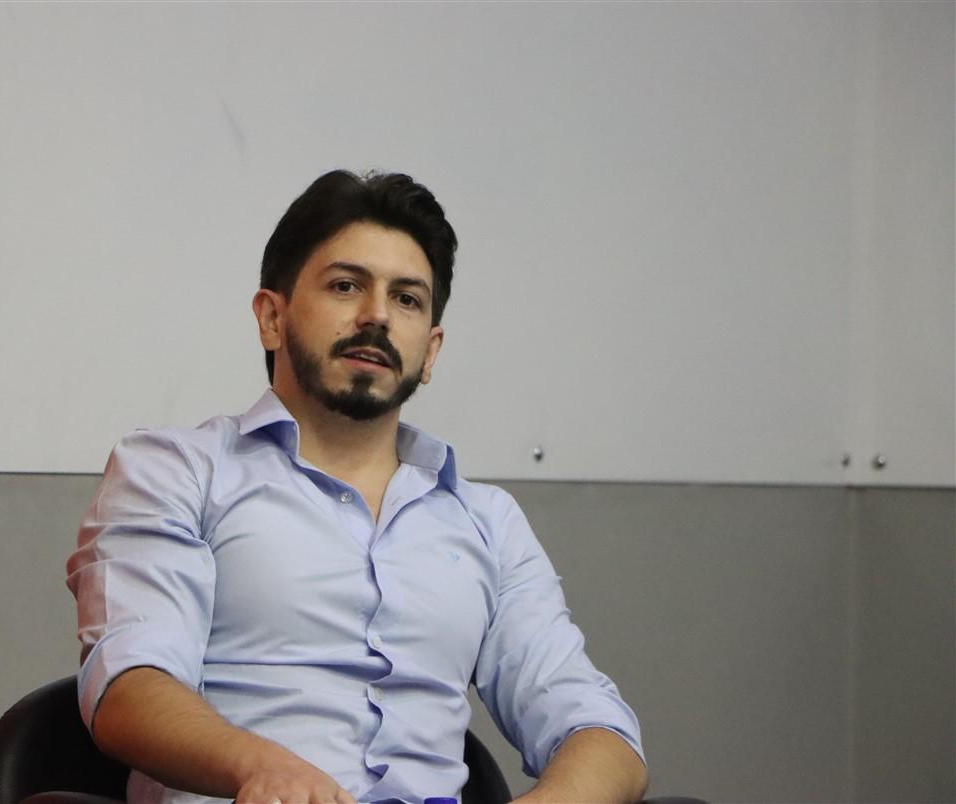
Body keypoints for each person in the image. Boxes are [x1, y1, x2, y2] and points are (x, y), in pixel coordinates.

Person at [67, 170, 647, 804]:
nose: (377, 316)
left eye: (407, 299)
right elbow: (129, 687)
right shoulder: (177, 471)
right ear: (271, 317)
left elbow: (597, 730)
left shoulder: (489, 521)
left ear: (431, 350)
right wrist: (262, 769)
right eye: (346, 286)